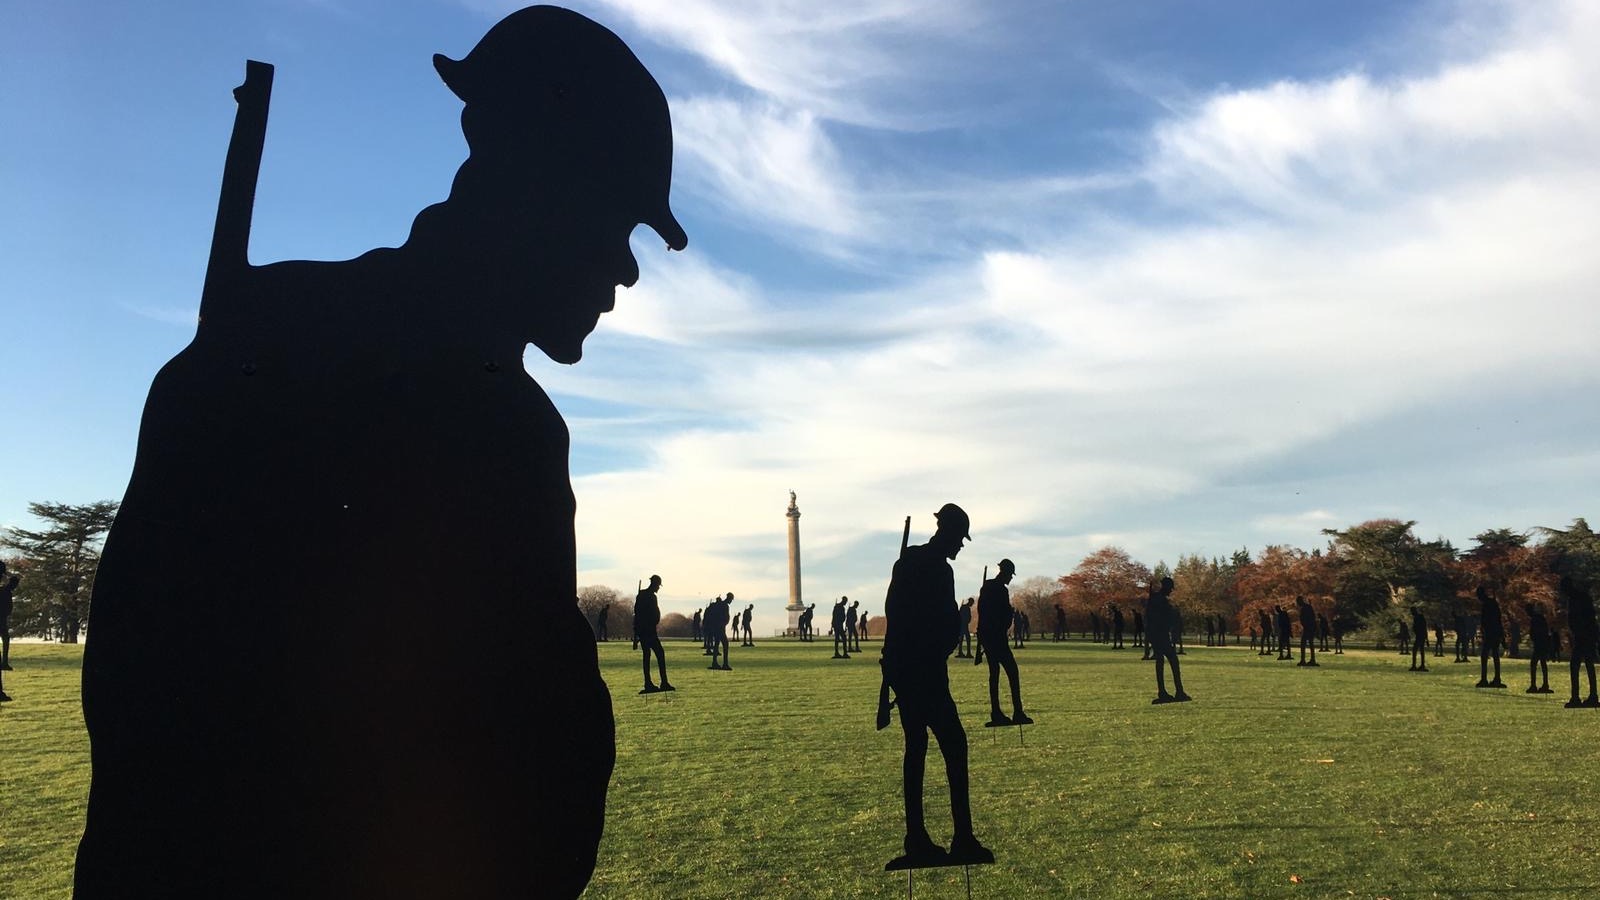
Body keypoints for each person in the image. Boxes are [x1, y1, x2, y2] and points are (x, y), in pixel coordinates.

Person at [74, 9, 686, 898]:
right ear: (539, 186)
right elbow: (537, 767)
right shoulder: (499, 423)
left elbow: (135, 716)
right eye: (617, 220)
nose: (627, 272)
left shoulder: (261, 332)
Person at [880, 503, 992, 867]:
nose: (961, 546)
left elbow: (894, 613)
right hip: (926, 671)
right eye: (960, 538)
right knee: (955, 746)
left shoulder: (908, 562)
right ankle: (961, 838)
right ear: (949, 533)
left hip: (905, 669)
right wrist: (943, 645)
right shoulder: (939, 570)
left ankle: (917, 837)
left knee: (916, 749)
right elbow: (943, 622)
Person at [977, 559, 1031, 728]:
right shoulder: (1000, 590)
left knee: (994, 674)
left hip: (988, 635)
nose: (1010, 579)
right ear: (1006, 573)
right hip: (996, 637)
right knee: (1012, 672)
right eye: (1010, 575)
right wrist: (1008, 614)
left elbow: (983, 611)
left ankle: (997, 712)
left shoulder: (988, 587)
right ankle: (1017, 711)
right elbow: (1000, 615)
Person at [1146, 578, 1190, 703]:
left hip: (1157, 635)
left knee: (1161, 662)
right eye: (1170, 588)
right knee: (1172, 661)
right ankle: (1177, 691)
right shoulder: (1160, 600)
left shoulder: (1156, 599)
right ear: (1165, 587)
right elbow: (1163, 618)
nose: (1171, 591)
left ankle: (1165, 692)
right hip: (1160, 635)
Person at [1561, 577, 1598, 708]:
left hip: (1583, 636)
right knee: (1588, 664)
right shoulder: (1580, 597)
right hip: (1585, 635)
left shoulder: (1575, 599)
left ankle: (1577, 697)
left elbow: (1579, 619)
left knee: (1576, 665)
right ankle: (1592, 695)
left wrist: (1580, 634)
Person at [635, 575, 673, 694]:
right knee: (659, 654)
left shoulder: (642, 595)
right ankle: (661, 682)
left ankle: (649, 683)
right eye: (658, 586)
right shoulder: (650, 596)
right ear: (655, 584)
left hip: (643, 630)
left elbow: (636, 613)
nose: (658, 588)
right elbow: (644, 613)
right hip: (648, 630)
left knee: (647, 655)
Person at [1476, 586, 1506, 688]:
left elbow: (1490, 620)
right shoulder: (1491, 603)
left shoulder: (1488, 604)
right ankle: (1496, 678)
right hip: (1494, 632)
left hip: (1491, 632)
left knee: (1486, 655)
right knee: (1495, 654)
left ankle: (1486, 679)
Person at [1525, 602, 1553, 693]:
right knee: (1542, 663)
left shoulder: (1535, 619)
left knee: (1534, 664)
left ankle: (1534, 685)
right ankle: (1545, 684)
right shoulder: (1540, 618)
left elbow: (1535, 632)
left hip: (1539, 644)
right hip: (1542, 643)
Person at [1297, 597, 1319, 667]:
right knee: (1310, 643)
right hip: (1310, 627)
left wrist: (1306, 626)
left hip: (1308, 627)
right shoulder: (1308, 607)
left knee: (1303, 643)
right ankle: (1312, 659)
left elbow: (1306, 618)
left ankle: (1304, 660)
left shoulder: (1305, 608)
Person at [1409, 606, 1428, 673]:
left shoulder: (1419, 617)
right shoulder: (1416, 617)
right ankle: (1419, 665)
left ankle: (1420, 665)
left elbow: (1424, 627)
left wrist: (1426, 638)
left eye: (1412, 611)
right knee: (1419, 650)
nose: (1411, 613)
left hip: (1420, 636)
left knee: (1417, 650)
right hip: (1419, 636)